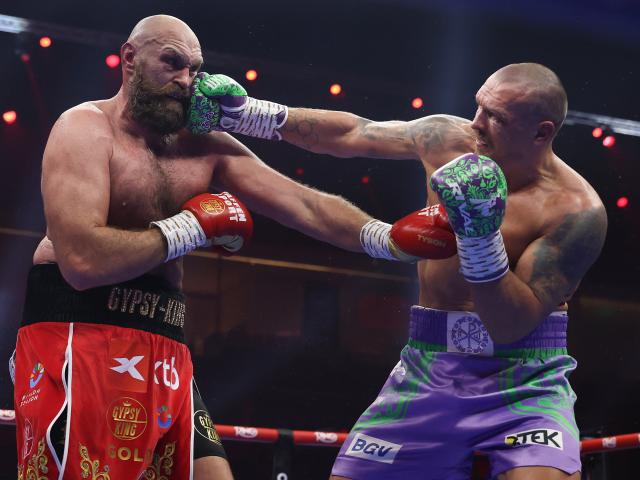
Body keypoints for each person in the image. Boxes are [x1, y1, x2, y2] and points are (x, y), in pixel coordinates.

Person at [12, 15, 456, 480]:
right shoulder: (84, 128)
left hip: (165, 342)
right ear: (129, 58)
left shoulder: (205, 146)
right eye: (172, 62)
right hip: (77, 333)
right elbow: (82, 262)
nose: (185, 80)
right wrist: (191, 227)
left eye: (194, 69)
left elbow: (304, 205)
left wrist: (387, 239)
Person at [188, 63, 608, 479]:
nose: (476, 124)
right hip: (430, 367)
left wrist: (480, 237)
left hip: (526, 376)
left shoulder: (576, 212)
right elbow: (352, 133)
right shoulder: (448, 138)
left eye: (495, 117)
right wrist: (245, 114)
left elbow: (510, 324)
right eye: (478, 106)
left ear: (542, 132)